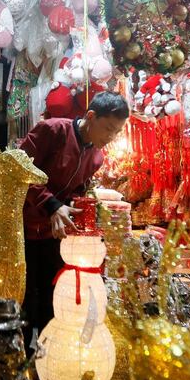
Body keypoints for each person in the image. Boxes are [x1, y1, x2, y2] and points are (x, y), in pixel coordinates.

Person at [19, 91, 129, 352]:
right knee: (21, 297)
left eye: (117, 133)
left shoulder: (97, 158)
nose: (111, 138)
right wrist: (52, 205)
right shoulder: (52, 130)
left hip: (53, 235)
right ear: (91, 117)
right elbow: (18, 170)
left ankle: (46, 360)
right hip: (21, 229)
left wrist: (76, 212)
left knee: (52, 297)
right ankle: (15, 364)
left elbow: (76, 193)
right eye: (108, 129)